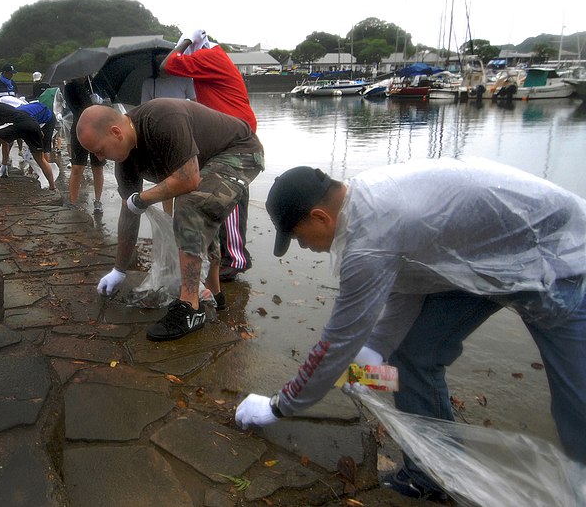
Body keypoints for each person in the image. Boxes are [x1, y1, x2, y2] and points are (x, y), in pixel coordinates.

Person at [234, 159, 586, 500]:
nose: (303, 246)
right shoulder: (364, 202)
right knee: (413, 354)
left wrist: (280, 406)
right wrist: (376, 351)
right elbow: (412, 284)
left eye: (298, 237)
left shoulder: (368, 242)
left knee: (576, 403)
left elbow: (337, 342)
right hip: (485, 260)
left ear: (320, 217)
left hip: (561, 254)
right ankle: (431, 477)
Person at [77, 99, 264, 341]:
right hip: (205, 162)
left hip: (240, 150)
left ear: (115, 132)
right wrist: (119, 270)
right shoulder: (125, 161)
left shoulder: (162, 119)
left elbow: (188, 180)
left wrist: (143, 198)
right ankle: (216, 295)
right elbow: (128, 210)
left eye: (100, 150)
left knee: (191, 204)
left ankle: (190, 308)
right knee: (199, 209)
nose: (100, 158)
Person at [160, 29, 255, 282]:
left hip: (234, 132)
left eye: (189, 48)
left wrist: (184, 43)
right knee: (224, 191)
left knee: (229, 193)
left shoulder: (210, 57)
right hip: (226, 129)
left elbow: (168, 63)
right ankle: (228, 255)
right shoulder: (210, 60)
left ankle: (234, 259)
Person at [0, 99, 63, 203]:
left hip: (25, 124)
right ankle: (53, 187)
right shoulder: (5, 114)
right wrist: (4, 164)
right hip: (33, 125)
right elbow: (6, 142)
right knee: (40, 159)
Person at [63, 76, 104, 213]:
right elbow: (76, 110)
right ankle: (73, 202)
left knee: (97, 167)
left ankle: (98, 201)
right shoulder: (69, 87)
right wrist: (91, 106)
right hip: (80, 129)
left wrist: (101, 103)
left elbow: (108, 107)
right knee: (77, 167)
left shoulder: (95, 84)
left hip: (98, 129)